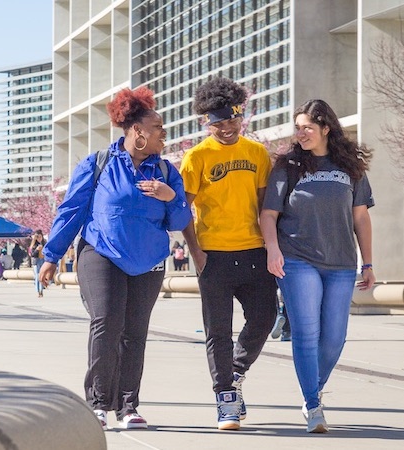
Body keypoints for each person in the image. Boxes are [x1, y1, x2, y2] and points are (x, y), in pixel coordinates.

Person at [39, 86, 192, 431]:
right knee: (107, 322)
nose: (164, 134)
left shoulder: (166, 172)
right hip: (101, 253)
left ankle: (128, 407)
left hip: (148, 262)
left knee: (134, 333)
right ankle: (97, 403)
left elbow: (181, 221)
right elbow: (71, 212)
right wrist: (51, 255)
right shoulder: (98, 165)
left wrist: (171, 198)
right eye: (158, 128)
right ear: (138, 132)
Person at [260, 99, 375, 433]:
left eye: (307, 127)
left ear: (326, 128)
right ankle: (313, 405)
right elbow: (268, 214)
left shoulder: (350, 167)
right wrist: (272, 250)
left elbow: (361, 217)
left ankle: (312, 385)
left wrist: (368, 262)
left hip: (340, 262)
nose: (301, 133)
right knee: (307, 333)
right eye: (297, 127)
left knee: (335, 337)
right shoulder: (288, 165)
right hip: (297, 259)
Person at [179, 77, 278, 430]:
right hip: (214, 257)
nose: (225, 128)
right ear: (207, 122)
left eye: (231, 120)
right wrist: (196, 252)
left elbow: (267, 205)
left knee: (266, 318)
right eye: (217, 122)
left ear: (242, 116)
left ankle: (236, 371)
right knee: (217, 332)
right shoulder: (196, 157)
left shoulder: (257, 153)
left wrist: (272, 247)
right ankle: (226, 400)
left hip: (254, 253)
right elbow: (182, 211)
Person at [29, 230, 47, 297]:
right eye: (38, 237)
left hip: (43, 260)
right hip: (36, 261)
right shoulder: (33, 245)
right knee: (37, 275)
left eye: (40, 237)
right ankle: (38, 291)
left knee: (42, 275)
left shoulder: (44, 243)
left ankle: (41, 290)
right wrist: (37, 249)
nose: (39, 238)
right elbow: (32, 254)